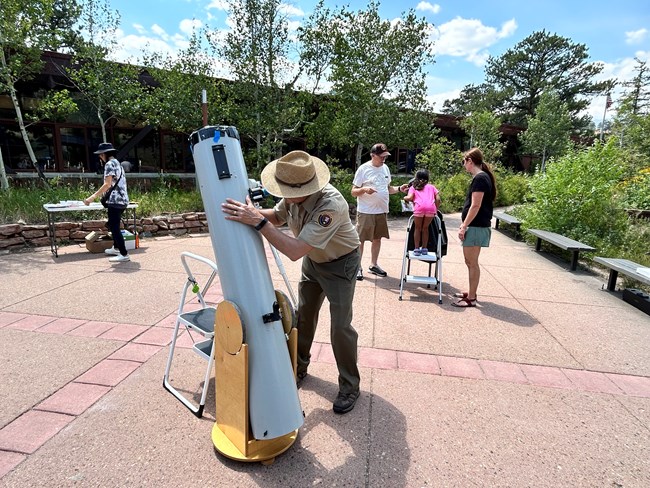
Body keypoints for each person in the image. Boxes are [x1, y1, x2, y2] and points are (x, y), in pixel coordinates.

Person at [221, 150, 362, 414]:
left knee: (340, 326)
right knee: (303, 317)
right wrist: (248, 213)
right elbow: (276, 217)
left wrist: (258, 222)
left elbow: (295, 250)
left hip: (341, 263)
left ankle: (350, 385)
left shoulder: (330, 205)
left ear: (307, 187)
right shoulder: (293, 197)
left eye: (285, 189)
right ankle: (298, 367)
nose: (281, 193)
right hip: (315, 261)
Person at [351, 143, 408, 280]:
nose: (383, 159)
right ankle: (357, 267)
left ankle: (373, 264)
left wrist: (399, 188)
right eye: (381, 156)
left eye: (385, 156)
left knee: (377, 238)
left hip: (381, 211)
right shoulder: (363, 169)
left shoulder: (385, 168)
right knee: (361, 240)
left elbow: (388, 189)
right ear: (373, 155)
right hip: (366, 211)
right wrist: (364, 190)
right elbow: (353, 192)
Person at [453, 147, 497, 307]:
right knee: (469, 261)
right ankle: (472, 292)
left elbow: (475, 205)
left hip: (476, 226)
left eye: (464, 162)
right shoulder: (482, 177)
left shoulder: (480, 178)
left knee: (472, 262)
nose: (464, 165)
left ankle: (471, 298)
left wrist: (464, 226)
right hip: (476, 225)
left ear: (470, 161)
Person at [84, 142, 131, 263]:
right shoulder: (117, 163)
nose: (100, 157)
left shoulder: (109, 164)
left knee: (114, 228)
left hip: (115, 201)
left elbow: (107, 184)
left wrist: (92, 197)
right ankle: (116, 248)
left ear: (104, 154)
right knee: (113, 225)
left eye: (100, 155)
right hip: (122, 200)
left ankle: (124, 254)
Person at [403, 169, 441, 255]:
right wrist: (435, 209)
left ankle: (416, 249)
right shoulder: (432, 187)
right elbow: (438, 199)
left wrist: (405, 198)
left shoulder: (414, 187)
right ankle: (424, 248)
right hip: (430, 208)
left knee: (418, 228)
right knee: (425, 228)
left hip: (419, 208)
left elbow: (410, 197)